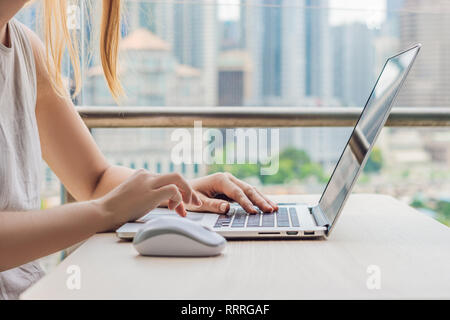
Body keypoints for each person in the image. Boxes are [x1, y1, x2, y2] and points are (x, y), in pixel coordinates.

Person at [0, 0, 278, 300]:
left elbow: (95, 180)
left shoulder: (27, 48)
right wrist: (104, 212)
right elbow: (102, 201)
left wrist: (178, 190)